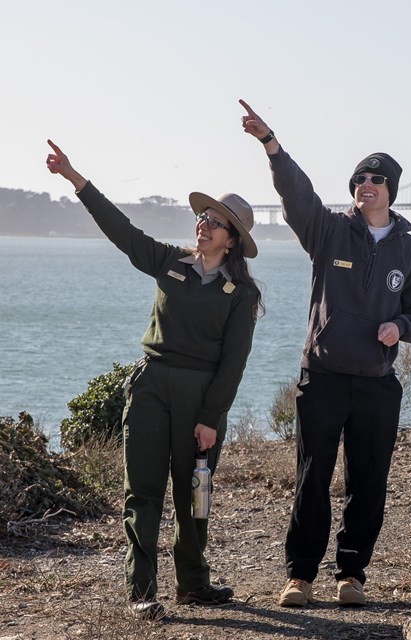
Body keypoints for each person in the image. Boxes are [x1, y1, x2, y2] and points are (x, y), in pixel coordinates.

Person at [46, 140, 262, 620]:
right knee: (142, 491)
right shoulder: (168, 261)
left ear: (232, 239)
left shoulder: (240, 293)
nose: (203, 224)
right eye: (202, 217)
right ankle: (141, 590)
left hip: (201, 396)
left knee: (194, 496)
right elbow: (122, 231)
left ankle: (194, 583)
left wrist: (210, 418)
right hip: (151, 387)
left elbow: (235, 361)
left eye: (215, 221)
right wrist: (77, 180)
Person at [239, 100, 411, 607]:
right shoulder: (328, 231)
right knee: (312, 479)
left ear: (390, 189)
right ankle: (299, 577)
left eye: (375, 178)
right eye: (358, 179)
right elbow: (297, 195)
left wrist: (401, 327)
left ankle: (351, 575)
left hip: (375, 384)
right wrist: (271, 145)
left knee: (368, 484)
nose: (365, 184)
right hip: (322, 377)